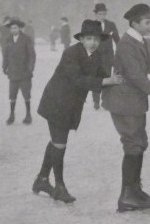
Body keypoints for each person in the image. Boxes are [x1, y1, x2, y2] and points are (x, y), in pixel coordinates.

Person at [33, 19, 123, 203]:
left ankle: (42, 180)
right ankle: (59, 186)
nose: (93, 42)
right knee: (60, 144)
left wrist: (115, 82)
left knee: (56, 142)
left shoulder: (96, 55)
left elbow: (99, 78)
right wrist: (106, 82)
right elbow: (78, 80)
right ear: (81, 39)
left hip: (72, 106)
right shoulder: (70, 53)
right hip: (56, 103)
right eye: (89, 38)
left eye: (96, 39)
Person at [102, 3, 150, 212]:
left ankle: (134, 190)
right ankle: (127, 196)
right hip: (123, 101)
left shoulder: (144, 41)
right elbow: (135, 74)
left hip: (134, 101)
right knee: (133, 144)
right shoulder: (126, 44)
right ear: (134, 23)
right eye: (147, 22)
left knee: (139, 142)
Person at [1, 17, 36, 125]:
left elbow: (32, 55)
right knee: (12, 95)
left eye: (15, 28)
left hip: (24, 72)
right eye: (11, 28)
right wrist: (4, 66)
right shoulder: (8, 40)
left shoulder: (26, 39)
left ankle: (28, 114)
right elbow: (5, 55)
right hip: (12, 72)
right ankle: (12, 115)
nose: (13, 30)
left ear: (19, 28)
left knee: (26, 94)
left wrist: (30, 68)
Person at [91, 2, 121, 111]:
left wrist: (121, 51)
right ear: (95, 14)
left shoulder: (111, 25)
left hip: (108, 57)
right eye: (100, 14)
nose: (102, 16)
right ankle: (96, 100)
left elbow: (117, 39)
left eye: (104, 14)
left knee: (107, 78)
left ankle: (105, 101)